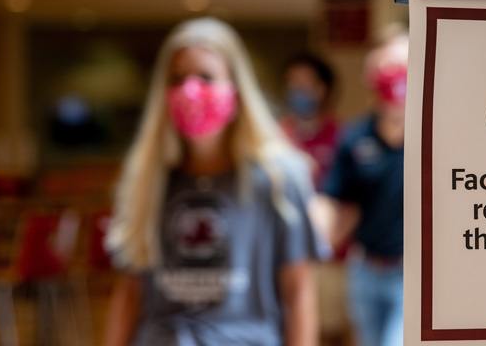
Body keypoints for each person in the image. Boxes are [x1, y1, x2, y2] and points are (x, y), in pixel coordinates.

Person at [103, 17, 326, 346]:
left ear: (235, 86)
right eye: (177, 79)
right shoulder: (146, 180)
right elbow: (129, 292)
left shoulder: (280, 178)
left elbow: (300, 293)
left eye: (206, 77)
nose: (190, 90)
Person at [323, 31, 408, 346]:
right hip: (364, 272)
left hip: (413, 276)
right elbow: (336, 205)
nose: (394, 78)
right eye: (385, 69)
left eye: (401, 67)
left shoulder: (437, 138)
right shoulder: (354, 138)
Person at [278, 54, 339, 188]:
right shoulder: (277, 135)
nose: (297, 89)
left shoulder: (340, 135)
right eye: (292, 82)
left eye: (303, 83)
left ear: (321, 89)